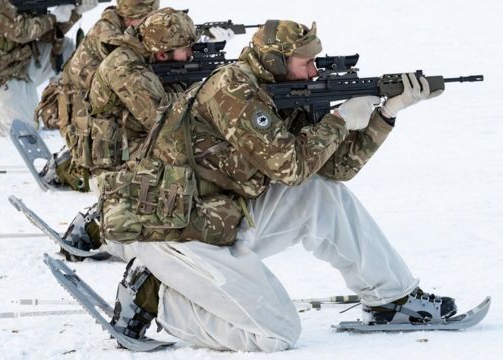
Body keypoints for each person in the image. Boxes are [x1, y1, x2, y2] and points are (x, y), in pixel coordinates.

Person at [82, 19, 455, 352]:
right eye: (305, 62)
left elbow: (334, 169)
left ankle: (391, 299)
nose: (314, 71)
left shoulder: (277, 89)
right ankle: (159, 297)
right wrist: (340, 120)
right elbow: (291, 166)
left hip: (218, 218)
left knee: (321, 194)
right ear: (276, 61)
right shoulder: (233, 90)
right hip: (175, 232)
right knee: (277, 334)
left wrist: (385, 115)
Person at [39, 6, 196, 192]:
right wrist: (200, 91)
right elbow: (163, 120)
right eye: (186, 49)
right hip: (113, 157)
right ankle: (71, 169)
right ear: (162, 53)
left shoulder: (147, 54)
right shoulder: (126, 68)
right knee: (191, 156)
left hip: (128, 135)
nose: (190, 55)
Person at [0, 0, 99, 135]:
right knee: (26, 128)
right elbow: (19, 31)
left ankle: (60, 106)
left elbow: (46, 36)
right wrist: (53, 18)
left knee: (70, 51)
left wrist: (75, 12)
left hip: (21, 60)